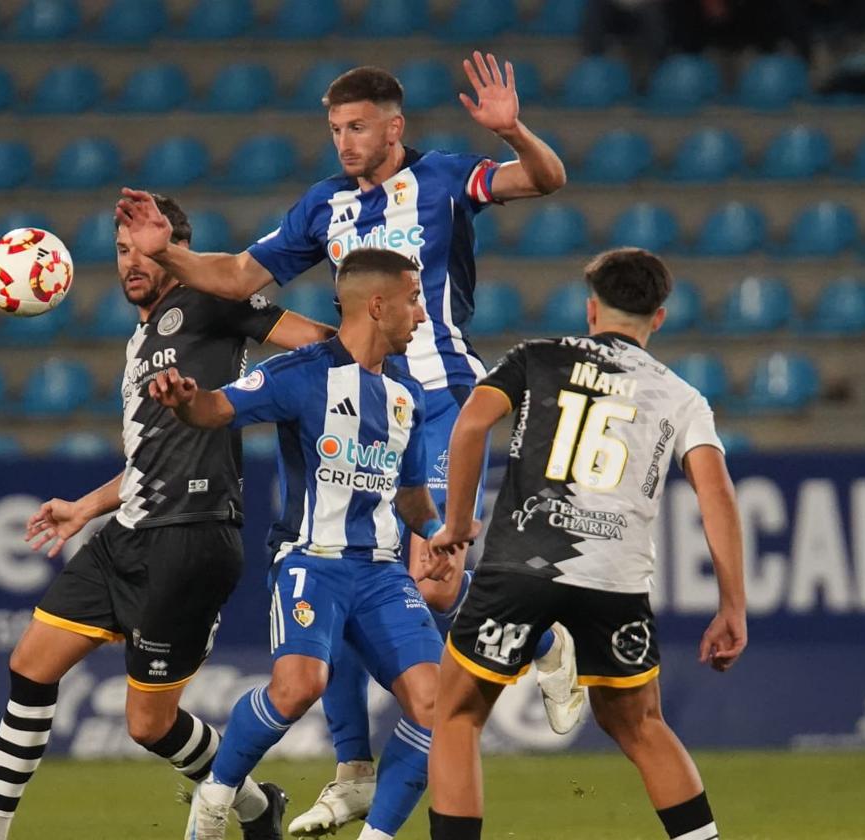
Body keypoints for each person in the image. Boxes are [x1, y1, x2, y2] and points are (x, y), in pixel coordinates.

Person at [116, 53, 581, 836]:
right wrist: (165, 255)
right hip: (362, 396)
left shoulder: (441, 179)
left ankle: (536, 634)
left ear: (394, 127)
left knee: (430, 586)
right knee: (346, 559)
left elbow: (543, 180)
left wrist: (515, 134)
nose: (345, 142)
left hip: (438, 397)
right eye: (335, 129)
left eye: (359, 127)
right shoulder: (323, 205)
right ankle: (356, 770)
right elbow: (235, 275)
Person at [0, 194, 335, 840]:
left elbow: (320, 344)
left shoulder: (211, 302)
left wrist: (371, 352)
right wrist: (85, 507)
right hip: (127, 532)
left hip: (193, 537)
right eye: (121, 251)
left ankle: (258, 806)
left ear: (173, 251)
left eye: (144, 250)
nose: (131, 263)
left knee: (148, 726)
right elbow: (149, 461)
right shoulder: (141, 341)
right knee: (30, 664)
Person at [426, 248, 748, 840]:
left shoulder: (537, 357)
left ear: (590, 308)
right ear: (661, 317)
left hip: (521, 564)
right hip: (615, 578)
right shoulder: (681, 397)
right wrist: (732, 606)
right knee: (641, 725)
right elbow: (717, 496)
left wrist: (457, 524)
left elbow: (471, 423)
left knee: (458, 715)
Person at [150, 250, 468, 840]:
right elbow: (216, 407)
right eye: (414, 300)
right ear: (378, 305)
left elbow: (411, 498)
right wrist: (184, 400)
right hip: (310, 562)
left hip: (380, 574)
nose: (422, 315)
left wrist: (440, 532)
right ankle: (214, 800)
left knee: (436, 704)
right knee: (299, 687)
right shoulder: (301, 373)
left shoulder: (408, 395)